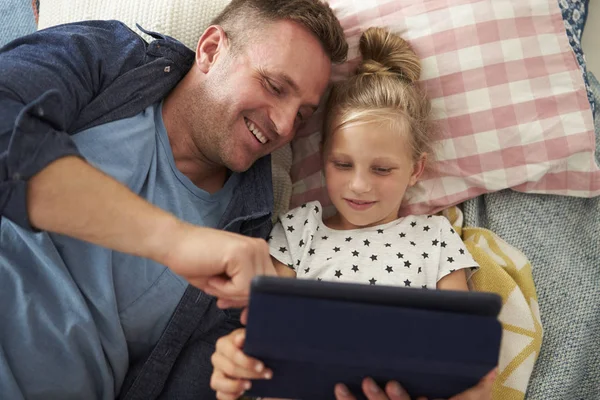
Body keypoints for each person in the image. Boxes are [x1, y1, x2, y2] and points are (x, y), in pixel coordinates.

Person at [0, 0, 347, 398]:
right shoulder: (111, 59)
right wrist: (174, 240)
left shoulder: (249, 238)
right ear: (211, 50)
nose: (286, 125)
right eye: (273, 85)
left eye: (302, 115)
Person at [208, 27, 497, 400]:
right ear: (324, 154)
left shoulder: (435, 236)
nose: (359, 186)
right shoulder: (299, 230)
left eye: (381, 169)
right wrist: (237, 357)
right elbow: (264, 333)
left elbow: (462, 357)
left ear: (416, 169)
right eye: (343, 164)